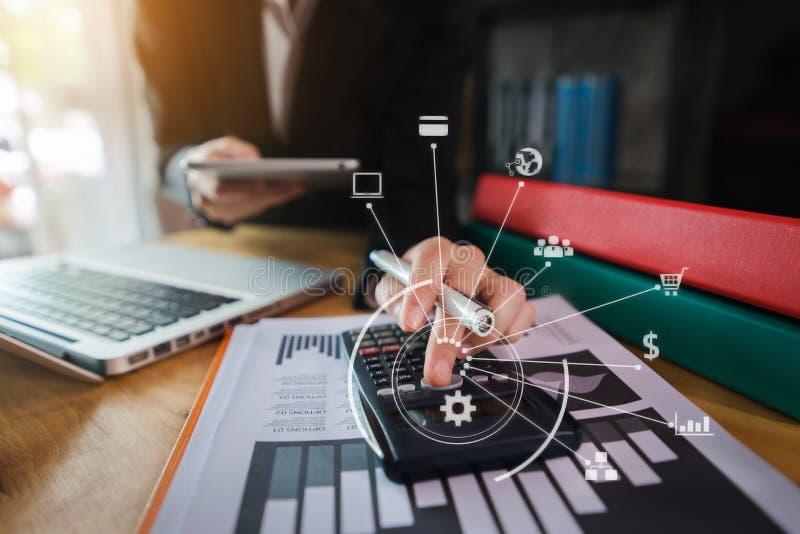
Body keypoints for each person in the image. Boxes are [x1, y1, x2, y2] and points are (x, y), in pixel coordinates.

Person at [134, 0, 535, 387]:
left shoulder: (430, 6)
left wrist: (400, 262)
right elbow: (169, 151)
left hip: (357, 248)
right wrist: (194, 172)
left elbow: (418, 167)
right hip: (237, 255)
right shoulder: (166, 5)